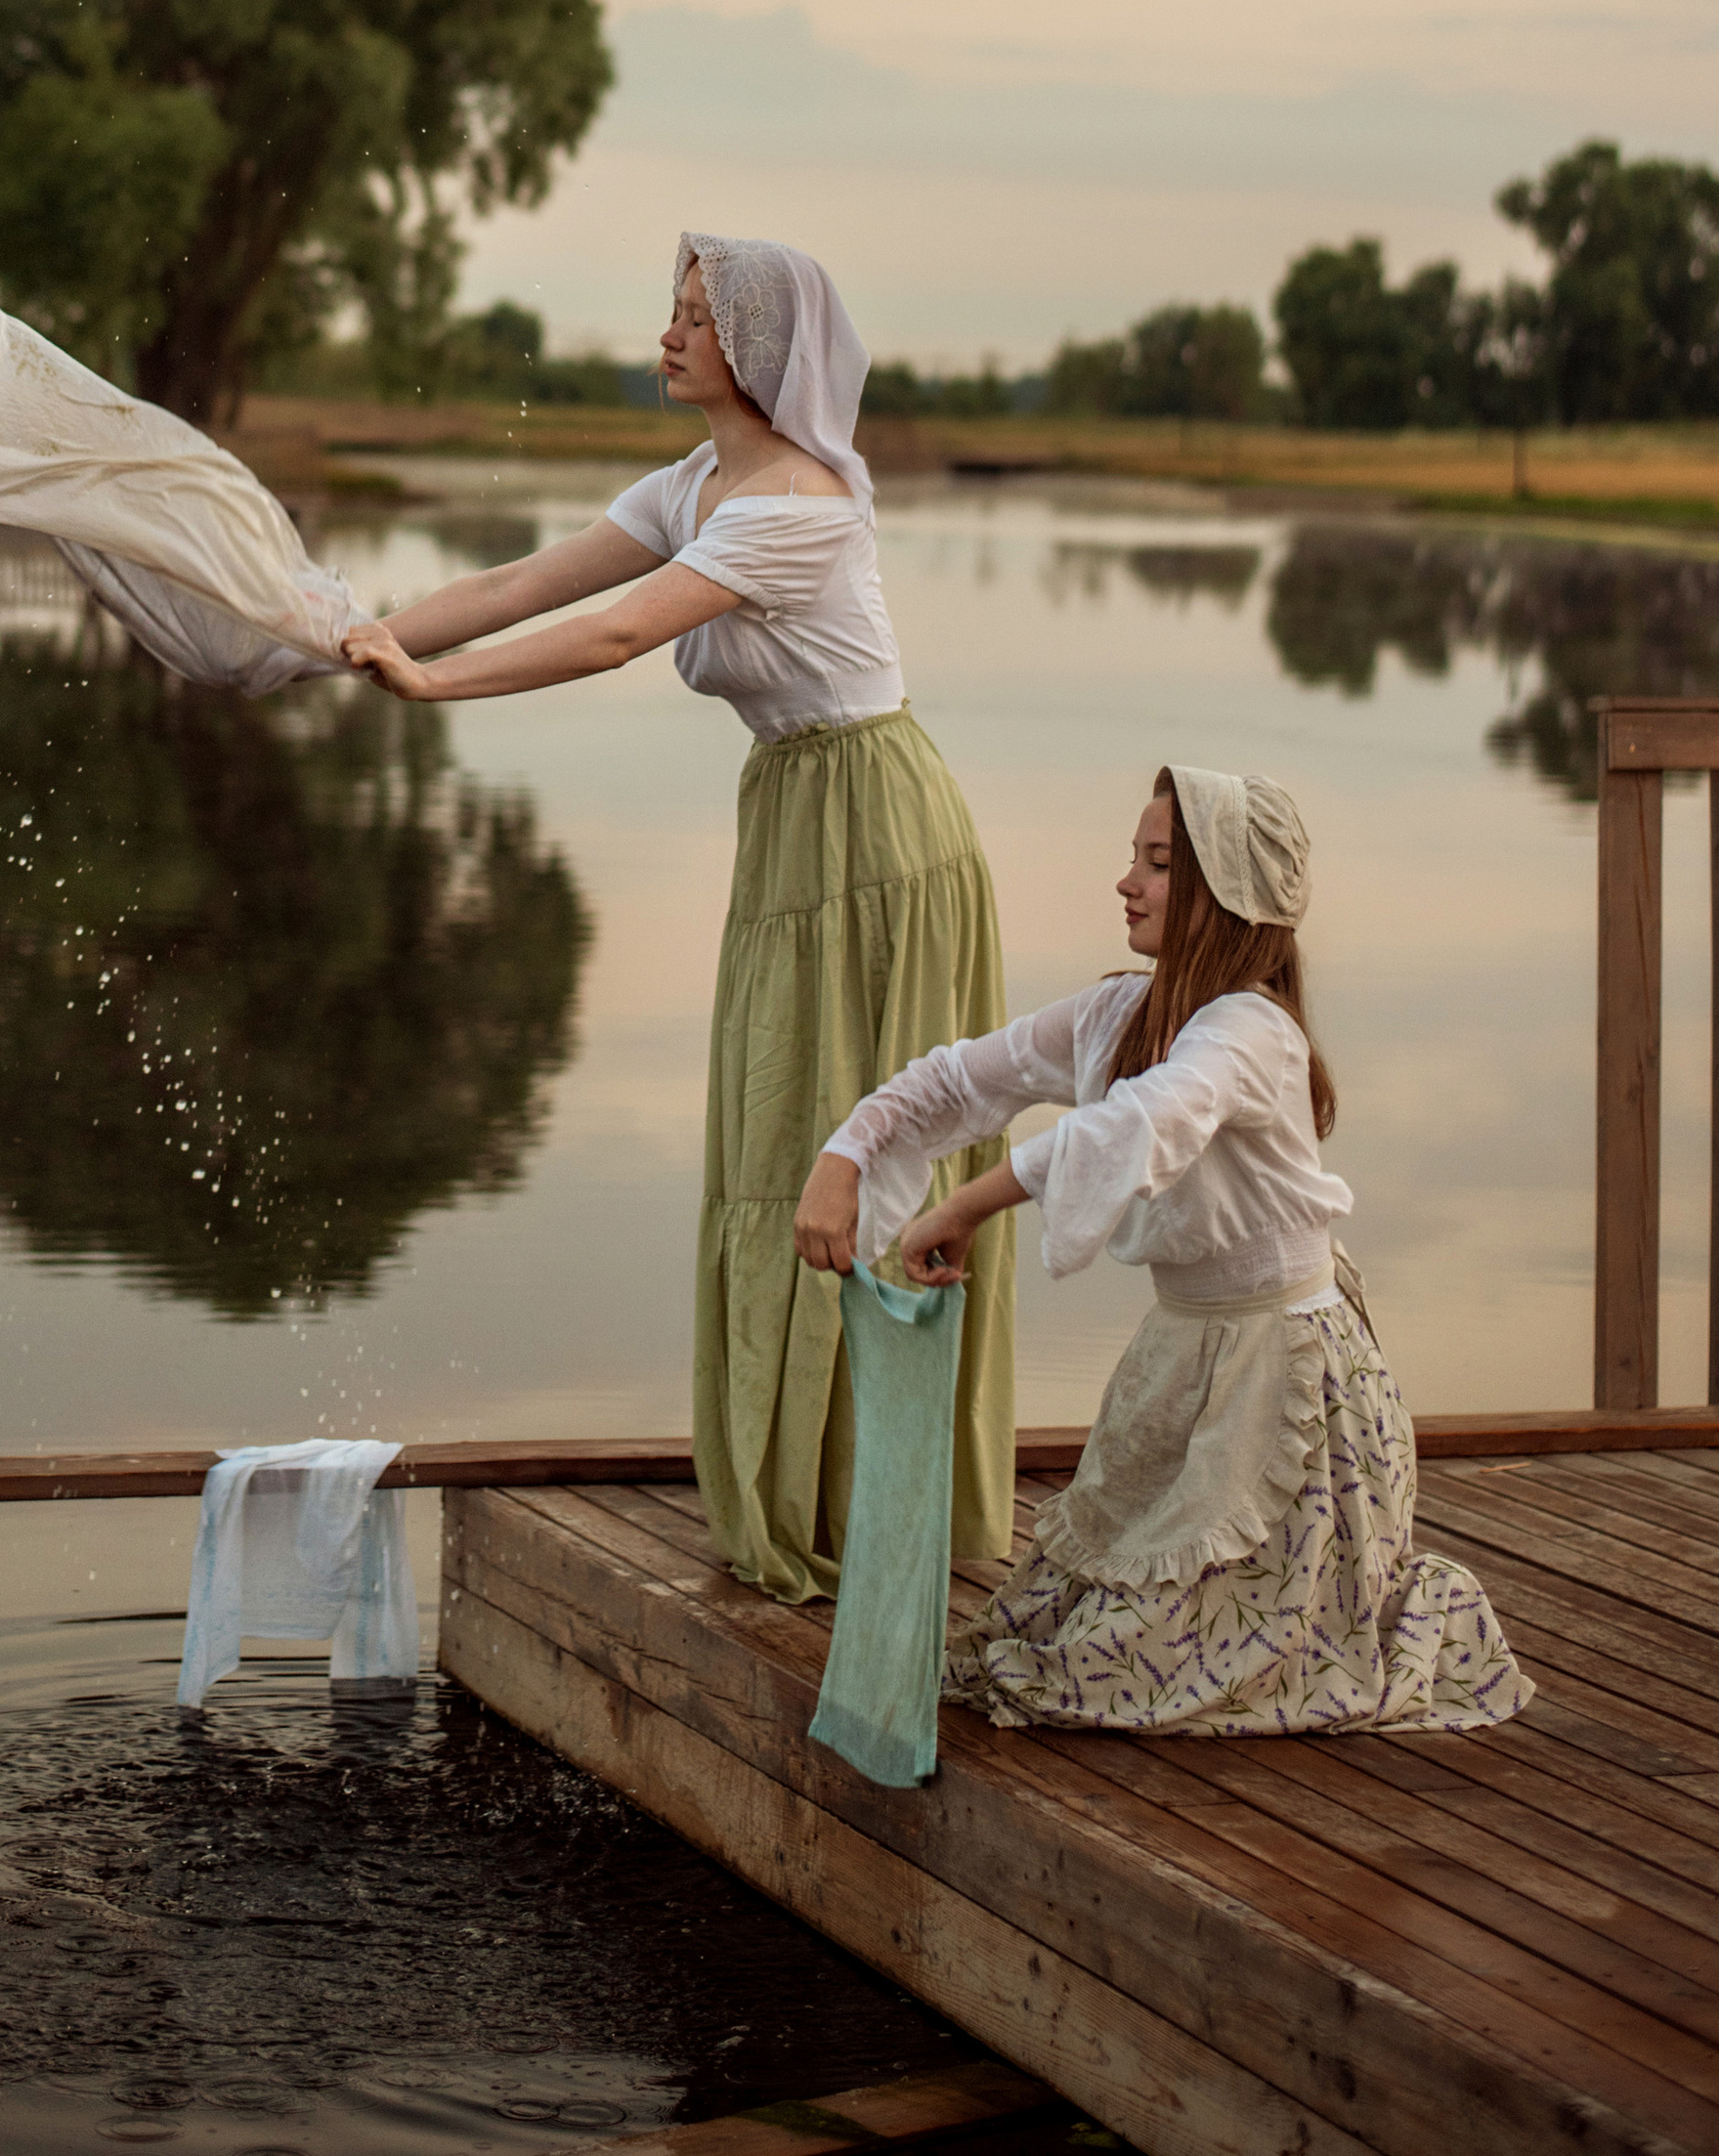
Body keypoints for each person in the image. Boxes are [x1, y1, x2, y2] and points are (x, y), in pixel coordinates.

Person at [339, 236, 1012, 1599]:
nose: (669, 333)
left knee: (852, 1147)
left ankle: (871, 1500)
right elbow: (526, 585)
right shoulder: (701, 481)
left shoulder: (799, 505)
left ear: (759, 352)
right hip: (799, 821)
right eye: (674, 310)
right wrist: (350, 632)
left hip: (880, 838)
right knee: (780, 1135)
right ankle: (796, 1476)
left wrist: (429, 693)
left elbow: (610, 637)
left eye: (697, 317)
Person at [794, 765, 1529, 1735]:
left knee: (1129, 1669)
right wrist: (845, 1155)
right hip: (1181, 1356)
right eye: (1132, 859)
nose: (1124, 882)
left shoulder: (1250, 1031)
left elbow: (1139, 1122)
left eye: (1156, 864)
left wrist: (964, 1205)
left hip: (1285, 1374)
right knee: (1055, 1635)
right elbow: (960, 1078)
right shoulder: (1115, 1015)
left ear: (1226, 896)